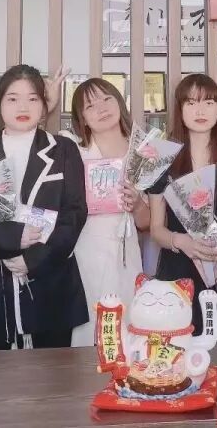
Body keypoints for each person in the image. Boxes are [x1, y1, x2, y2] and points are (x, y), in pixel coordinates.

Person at [0, 64, 88, 350]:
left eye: (32, 98)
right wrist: (6, 238)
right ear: (0, 104)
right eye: (13, 98)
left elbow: (74, 214)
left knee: (51, 372)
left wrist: (35, 259)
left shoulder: (63, 150)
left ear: (44, 105)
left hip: (50, 285)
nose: (23, 107)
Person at [148, 73, 217, 334]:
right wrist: (181, 241)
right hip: (179, 276)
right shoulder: (162, 161)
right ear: (179, 110)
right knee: (179, 347)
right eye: (191, 103)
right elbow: (156, 229)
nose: (200, 111)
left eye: (209, 103)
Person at [64, 77, 149, 347]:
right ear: (82, 119)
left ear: (119, 102)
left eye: (106, 99)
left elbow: (147, 223)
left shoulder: (143, 152)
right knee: (90, 324)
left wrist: (137, 203)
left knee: (129, 326)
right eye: (90, 106)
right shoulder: (75, 151)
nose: (101, 108)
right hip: (86, 249)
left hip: (127, 250)